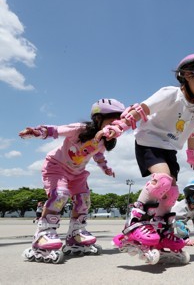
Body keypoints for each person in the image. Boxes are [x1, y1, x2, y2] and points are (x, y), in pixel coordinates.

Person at [98, 53, 194, 261]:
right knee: (162, 180)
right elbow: (141, 110)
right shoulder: (170, 94)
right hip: (149, 142)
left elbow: (192, 133)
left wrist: (192, 154)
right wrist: (118, 127)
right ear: (188, 75)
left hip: (169, 149)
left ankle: (161, 230)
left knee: (171, 191)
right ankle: (134, 225)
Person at [20, 98, 125, 263]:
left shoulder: (104, 140)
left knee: (84, 200)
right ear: (98, 119)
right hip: (57, 166)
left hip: (77, 173)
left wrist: (105, 168)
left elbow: (97, 154)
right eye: (112, 121)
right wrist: (35, 132)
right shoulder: (79, 130)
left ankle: (76, 235)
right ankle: (43, 234)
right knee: (60, 195)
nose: (115, 126)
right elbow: (55, 130)